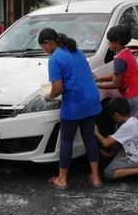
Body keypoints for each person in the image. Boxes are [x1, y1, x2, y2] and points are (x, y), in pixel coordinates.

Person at [38, 28, 102, 190]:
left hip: (75, 103)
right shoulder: (77, 51)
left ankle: (62, 179)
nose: (43, 50)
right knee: (89, 137)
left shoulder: (55, 59)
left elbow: (57, 88)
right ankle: (95, 177)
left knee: (66, 140)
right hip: (92, 99)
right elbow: (87, 74)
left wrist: (49, 96)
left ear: (49, 43)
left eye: (42, 46)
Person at [94, 97, 138, 189]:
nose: (112, 119)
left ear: (116, 114)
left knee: (108, 173)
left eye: (112, 116)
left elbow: (106, 143)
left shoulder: (127, 127)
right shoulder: (133, 120)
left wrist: (96, 132)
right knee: (114, 139)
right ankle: (112, 155)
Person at [96, 25, 138, 125]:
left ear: (117, 42)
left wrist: (95, 85)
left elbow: (115, 84)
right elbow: (120, 75)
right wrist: (101, 78)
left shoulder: (119, 59)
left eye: (110, 41)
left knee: (133, 127)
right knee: (137, 124)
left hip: (136, 94)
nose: (108, 44)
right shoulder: (126, 52)